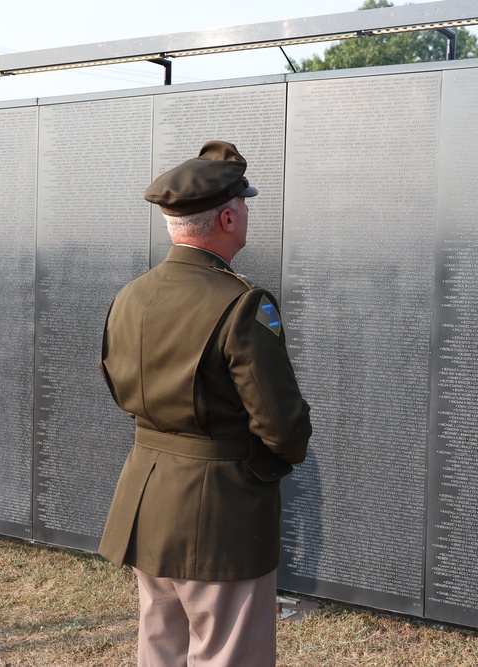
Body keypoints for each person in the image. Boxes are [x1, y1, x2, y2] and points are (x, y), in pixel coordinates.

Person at [98, 140, 311, 666]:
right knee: (227, 654)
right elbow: (283, 427)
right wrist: (264, 466)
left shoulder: (131, 295)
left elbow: (120, 388)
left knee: (162, 647)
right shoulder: (242, 303)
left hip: (148, 502)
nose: (247, 213)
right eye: (244, 205)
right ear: (227, 217)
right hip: (222, 513)